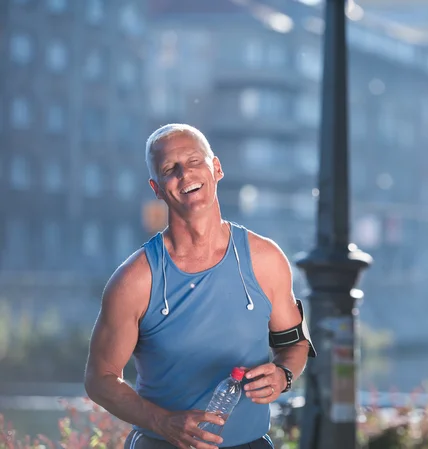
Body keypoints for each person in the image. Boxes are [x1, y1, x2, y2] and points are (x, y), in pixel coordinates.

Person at [84, 124, 316, 449]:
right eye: (170, 169)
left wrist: (284, 375)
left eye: (194, 161)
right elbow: (99, 379)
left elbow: (295, 344)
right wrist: (162, 422)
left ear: (216, 168)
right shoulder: (135, 280)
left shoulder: (266, 260)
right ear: (157, 188)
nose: (185, 174)